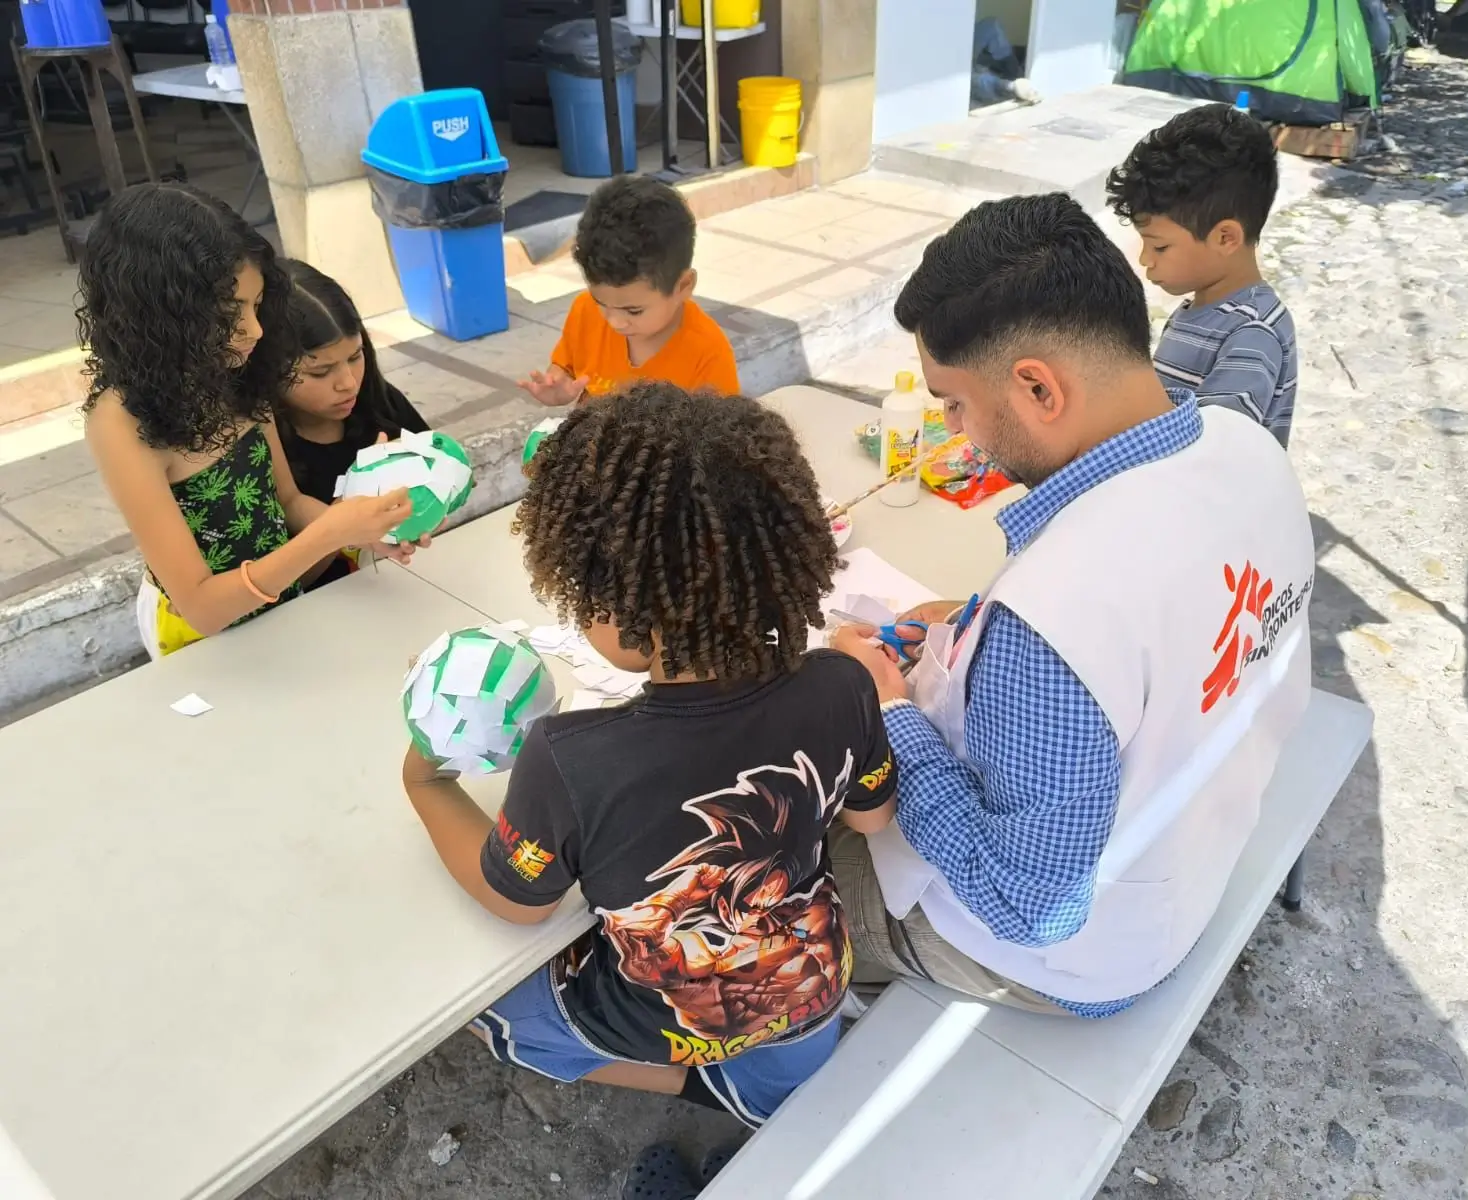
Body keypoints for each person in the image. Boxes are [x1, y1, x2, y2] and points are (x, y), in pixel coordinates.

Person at [830, 192, 1315, 1017]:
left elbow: (1028, 909)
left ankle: (789, 1036)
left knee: (771, 858)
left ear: (1037, 388)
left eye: (954, 403)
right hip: (1199, 848)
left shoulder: (1057, 624)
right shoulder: (1245, 447)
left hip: (1078, 959)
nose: (955, 432)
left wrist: (892, 710)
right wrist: (976, 623)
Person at [399, 385, 896, 1152]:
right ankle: (747, 1087)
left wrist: (424, 780)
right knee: (775, 1050)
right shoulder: (844, 683)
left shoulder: (569, 757)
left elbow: (521, 905)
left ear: (616, 601)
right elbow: (870, 818)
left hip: (661, 1018)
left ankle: (699, 1081)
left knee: (487, 1012)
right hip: (812, 993)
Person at [80, 184, 415, 660]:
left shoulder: (235, 370)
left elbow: (288, 500)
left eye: (257, 306)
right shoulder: (118, 422)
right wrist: (331, 533)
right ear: (162, 314)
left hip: (284, 607)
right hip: (204, 645)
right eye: (229, 314)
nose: (255, 330)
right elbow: (201, 606)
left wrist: (366, 529)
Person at [1106, 102, 1299, 447]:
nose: (1145, 259)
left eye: (1160, 247)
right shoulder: (1198, 311)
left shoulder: (1252, 331)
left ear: (1225, 238)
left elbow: (1210, 452)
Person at [519, 177, 739, 408]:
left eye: (633, 311)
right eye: (601, 302)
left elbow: (721, 437)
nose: (614, 321)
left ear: (683, 286)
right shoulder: (585, 310)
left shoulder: (708, 354)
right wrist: (559, 387)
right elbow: (565, 367)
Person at [277, 261, 430, 589]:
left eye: (355, 357)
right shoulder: (261, 450)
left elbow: (442, 472)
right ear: (268, 370)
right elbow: (280, 587)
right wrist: (343, 522)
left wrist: (428, 505)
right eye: (320, 372)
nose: (347, 383)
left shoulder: (379, 403)